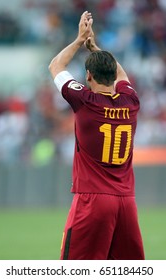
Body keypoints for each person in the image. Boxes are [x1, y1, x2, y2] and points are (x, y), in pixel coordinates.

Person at [49, 11, 145, 260]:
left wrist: (81, 40)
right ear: (113, 76)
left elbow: (56, 66)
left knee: (77, 271)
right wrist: (97, 48)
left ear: (88, 76)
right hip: (126, 202)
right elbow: (122, 75)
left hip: (93, 200)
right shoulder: (131, 101)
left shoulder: (84, 100)